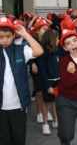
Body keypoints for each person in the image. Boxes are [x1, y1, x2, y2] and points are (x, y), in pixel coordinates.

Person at [0, 16, 43, 145]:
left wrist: (25, 34)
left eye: (8, 36)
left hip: (18, 106)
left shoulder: (21, 50)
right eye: (1, 37)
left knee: (19, 140)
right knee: (4, 141)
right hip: (1, 107)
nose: (4, 40)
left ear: (13, 35)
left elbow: (39, 51)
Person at [37, 29, 60, 135]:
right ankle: (45, 123)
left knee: (55, 101)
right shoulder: (43, 54)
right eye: (56, 38)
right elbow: (42, 71)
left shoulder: (57, 51)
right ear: (51, 39)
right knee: (46, 102)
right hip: (48, 82)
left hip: (57, 81)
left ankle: (55, 120)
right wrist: (47, 86)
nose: (58, 40)